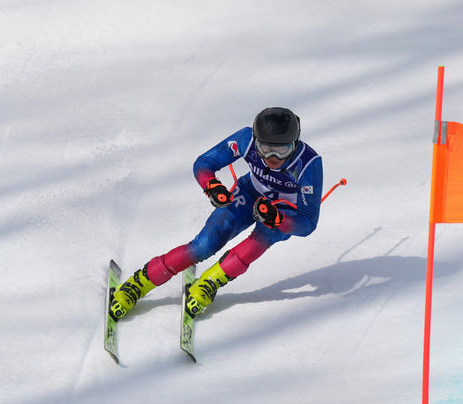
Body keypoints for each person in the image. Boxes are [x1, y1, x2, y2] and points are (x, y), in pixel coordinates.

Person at [109, 107, 323, 320]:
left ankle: (210, 282)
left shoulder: (308, 164)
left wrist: (278, 220)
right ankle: (140, 283)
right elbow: (204, 163)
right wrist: (211, 185)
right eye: (264, 148)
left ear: (295, 144)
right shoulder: (246, 139)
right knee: (204, 245)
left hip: (283, 208)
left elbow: (308, 222)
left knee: (258, 241)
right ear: (256, 140)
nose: (272, 157)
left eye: (282, 150)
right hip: (249, 192)